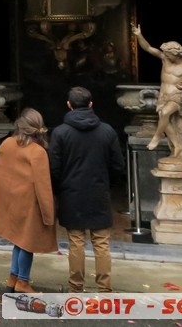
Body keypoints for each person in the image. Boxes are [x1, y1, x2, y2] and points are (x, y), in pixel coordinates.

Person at [49, 86, 125, 293]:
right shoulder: (107, 131)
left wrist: (59, 189)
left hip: (71, 193)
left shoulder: (60, 132)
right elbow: (118, 165)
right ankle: (104, 288)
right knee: (101, 243)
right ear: (91, 104)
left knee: (76, 242)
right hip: (99, 192)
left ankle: (76, 286)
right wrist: (107, 184)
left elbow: (54, 167)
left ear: (69, 105)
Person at [0, 108, 56, 294]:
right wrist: (48, 215)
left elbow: (0, 174)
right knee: (27, 243)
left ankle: (13, 278)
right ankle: (23, 282)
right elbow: (43, 187)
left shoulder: (6, 144)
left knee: (17, 241)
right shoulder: (38, 152)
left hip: (10, 202)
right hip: (30, 205)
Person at [132, 24, 182, 168]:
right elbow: (148, 48)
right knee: (167, 121)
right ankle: (177, 148)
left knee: (165, 113)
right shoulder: (165, 58)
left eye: (169, 54)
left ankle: (157, 136)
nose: (166, 56)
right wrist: (139, 35)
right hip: (163, 96)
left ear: (175, 54)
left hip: (177, 95)